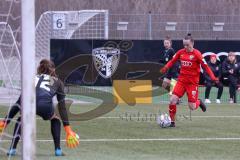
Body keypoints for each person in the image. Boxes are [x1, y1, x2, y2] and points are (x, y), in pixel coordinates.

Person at [0, 59, 79, 156]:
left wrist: (5, 122)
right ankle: (58, 150)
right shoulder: (58, 82)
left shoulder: (31, 78)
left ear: (39, 69)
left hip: (28, 102)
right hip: (44, 106)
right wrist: (68, 130)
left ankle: (12, 149)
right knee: (55, 119)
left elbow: (19, 101)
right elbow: (62, 107)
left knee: (22, 118)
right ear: (53, 69)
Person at [160, 34, 218, 127]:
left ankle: (198, 102)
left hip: (192, 84)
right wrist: (166, 67)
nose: (185, 47)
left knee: (192, 107)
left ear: (193, 43)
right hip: (181, 81)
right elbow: (173, 60)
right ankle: (172, 122)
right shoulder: (181, 52)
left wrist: (213, 77)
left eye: (187, 45)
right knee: (172, 100)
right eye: (184, 45)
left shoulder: (197, 54)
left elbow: (206, 67)